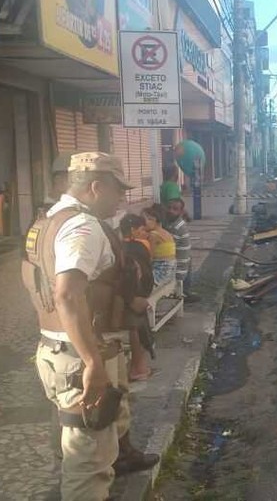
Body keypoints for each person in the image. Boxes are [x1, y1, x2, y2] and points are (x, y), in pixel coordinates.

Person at [23, 152, 158, 500]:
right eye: (118, 191)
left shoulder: (49, 218)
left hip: (61, 348)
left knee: (92, 436)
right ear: (96, 187)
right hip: (79, 354)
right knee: (88, 463)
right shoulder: (82, 227)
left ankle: (121, 460)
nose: (122, 199)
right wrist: (93, 363)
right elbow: (67, 295)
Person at [119, 214, 156, 382]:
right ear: (133, 230)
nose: (145, 233)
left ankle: (138, 365)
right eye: (142, 230)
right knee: (135, 317)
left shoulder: (117, 247)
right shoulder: (143, 245)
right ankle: (139, 367)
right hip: (136, 293)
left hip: (126, 292)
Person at [164, 197, 199, 303]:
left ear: (181, 212)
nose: (170, 211)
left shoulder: (176, 228)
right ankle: (186, 291)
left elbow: (167, 248)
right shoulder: (177, 223)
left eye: (175, 209)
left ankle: (181, 292)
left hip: (179, 268)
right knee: (187, 258)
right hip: (185, 261)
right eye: (169, 208)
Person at [142, 205, 176, 287]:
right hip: (170, 272)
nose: (142, 224)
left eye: (144, 220)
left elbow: (149, 257)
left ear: (154, 220)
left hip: (160, 273)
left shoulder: (153, 235)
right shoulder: (165, 232)